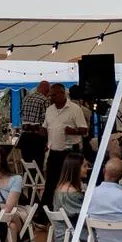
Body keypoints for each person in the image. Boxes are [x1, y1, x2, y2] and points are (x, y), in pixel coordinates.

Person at [42, 84, 88, 222]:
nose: (51, 98)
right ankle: (46, 215)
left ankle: (70, 211)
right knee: (50, 183)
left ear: (63, 94)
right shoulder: (49, 110)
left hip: (69, 152)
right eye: (50, 95)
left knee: (69, 183)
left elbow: (84, 130)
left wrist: (73, 131)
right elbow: (46, 127)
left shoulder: (75, 109)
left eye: (54, 95)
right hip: (54, 151)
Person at [51, 151, 87, 241]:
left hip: (61, 235)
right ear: (76, 168)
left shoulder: (59, 188)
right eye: (84, 166)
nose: (87, 169)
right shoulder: (71, 194)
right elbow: (84, 217)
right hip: (72, 237)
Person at [18, 80, 50, 168]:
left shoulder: (26, 98)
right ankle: (37, 181)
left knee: (27, 165)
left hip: (25, 136)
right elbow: (46, 121)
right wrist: (47, 140)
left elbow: (21, 115)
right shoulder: (44, 100)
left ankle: (27, 180)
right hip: (37, 137)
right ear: (47, 90)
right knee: (37, 165)